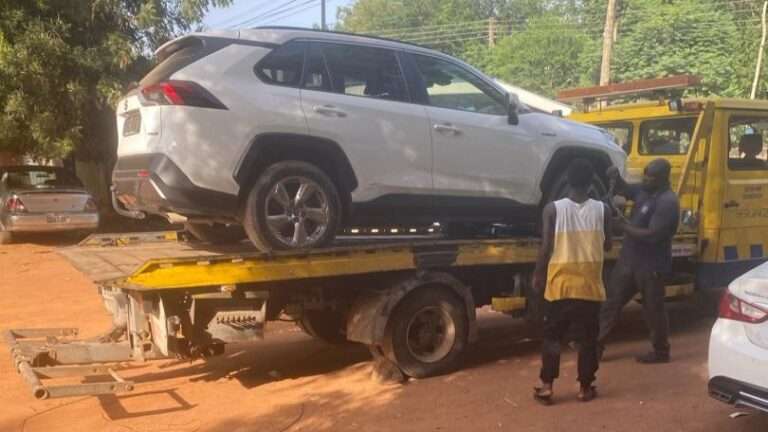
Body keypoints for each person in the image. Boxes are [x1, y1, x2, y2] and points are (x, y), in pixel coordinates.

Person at [532, 158, 613, 405]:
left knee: (553, 337)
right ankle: (585, 388)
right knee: (589, 338)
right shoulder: (603, 210)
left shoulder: (553, 209)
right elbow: (608, 244)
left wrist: (538, 274)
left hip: (560, 284)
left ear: (567, 180)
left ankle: (547, 386)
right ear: (591, 183)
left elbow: (546, 248)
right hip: (589, 285)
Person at [598, 158, 680, 364]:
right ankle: (595, 346)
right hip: (629, 261)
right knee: (611, 303)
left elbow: (653, 235)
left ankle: (661, 352)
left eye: (651, 178)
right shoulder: (644, 190)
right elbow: (625, 189)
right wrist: (615, 178)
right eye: (645, 175)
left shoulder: (667, 202)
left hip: (652, 266)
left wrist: (623, 227)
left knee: (653, 310)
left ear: (663, 179)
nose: (646, 180)